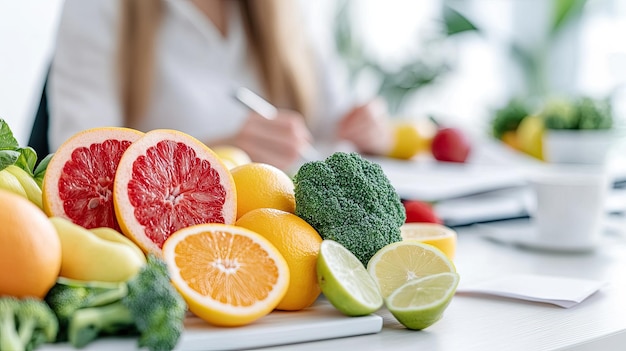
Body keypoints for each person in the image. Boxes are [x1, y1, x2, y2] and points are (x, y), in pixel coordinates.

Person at [48, 0, 394, 171]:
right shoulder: (99, 8)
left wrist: (370, 125)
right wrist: (215, 156)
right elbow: (79, 165)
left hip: (291, 246)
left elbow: (333, 120)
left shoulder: (284, 11)